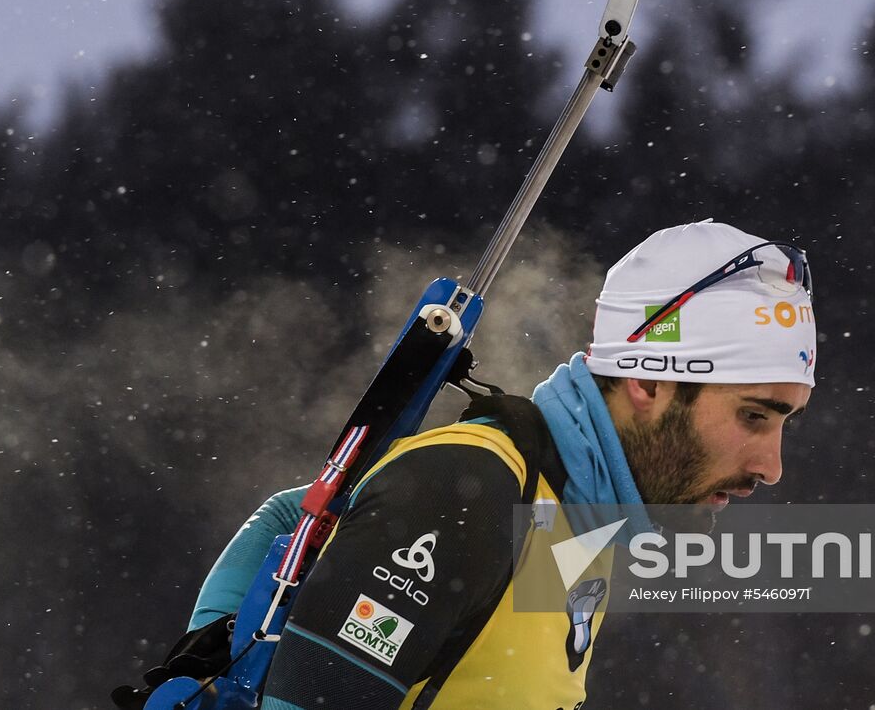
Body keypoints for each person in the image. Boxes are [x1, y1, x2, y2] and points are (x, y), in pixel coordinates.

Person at [189, 220, 816, 709]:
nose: (772, 465)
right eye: (754, 417)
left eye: (784, 421)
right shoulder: (469, 494)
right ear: (647, 383)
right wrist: (206, 659)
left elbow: (289, 513)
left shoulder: (577, 519)